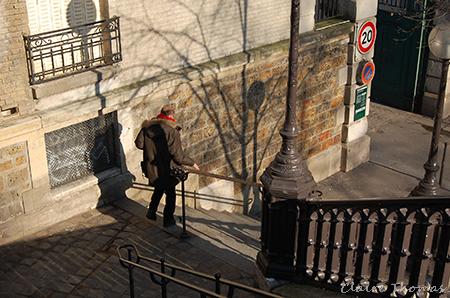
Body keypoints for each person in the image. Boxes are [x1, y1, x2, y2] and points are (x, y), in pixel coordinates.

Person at [135, 106, 199, 227]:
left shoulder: (147, 127)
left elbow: (139, 144)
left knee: (159, 187)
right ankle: (168, 219)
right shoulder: (172, 131)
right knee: (170, 194)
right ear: (170, 116)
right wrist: (192, 163)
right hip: (168, 168)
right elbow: (178, 157)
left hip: (152, 168)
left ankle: (152, 210)